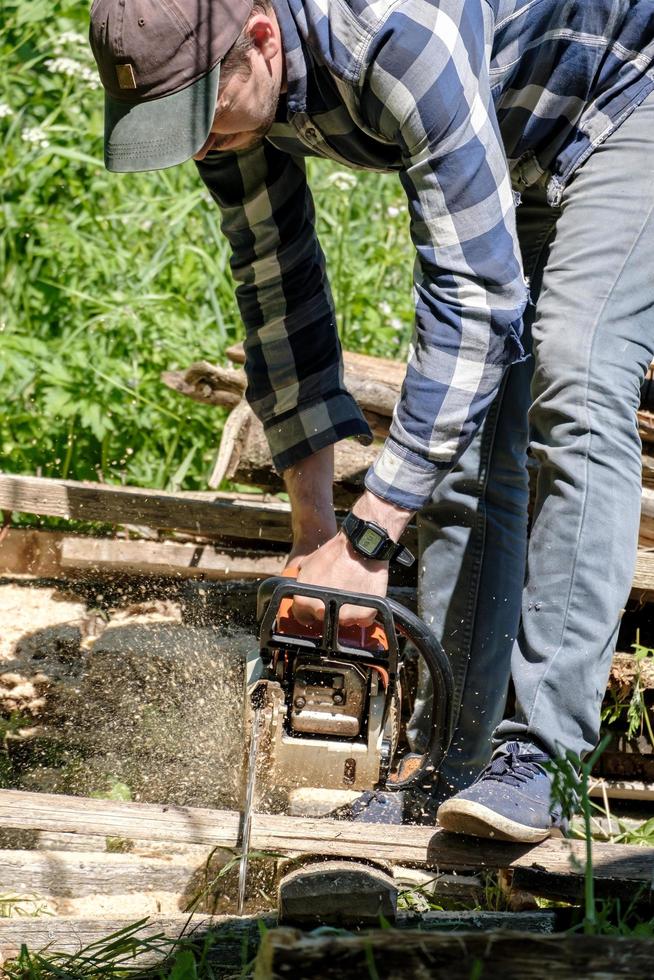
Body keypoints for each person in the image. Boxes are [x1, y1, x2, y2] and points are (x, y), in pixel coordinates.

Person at [89, 0, 654, 842]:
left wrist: (371, 540)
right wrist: (317, 531)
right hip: (507, 128)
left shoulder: (393, 33)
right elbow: (276, 291)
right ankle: (454, 771)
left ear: (263, 38)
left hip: (627, 91)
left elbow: (474, 298)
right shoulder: (222, 100)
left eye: (202, 116)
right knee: (456, 455)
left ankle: (546, 758)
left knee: (576, 373)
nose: (198, 144)